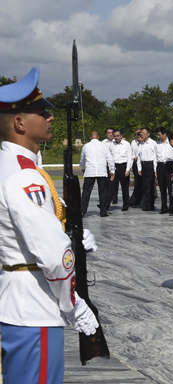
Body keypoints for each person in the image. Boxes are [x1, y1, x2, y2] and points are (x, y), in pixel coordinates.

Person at [0, 67, 99, 384]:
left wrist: (68, 232)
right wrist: (74, 305)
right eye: (42, 112)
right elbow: (55, 257)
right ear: (19, 123)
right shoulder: (25, 176)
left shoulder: (9, 165)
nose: (50, 117)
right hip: (35, 307)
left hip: (13, 299)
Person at [80, 131, 115, 217]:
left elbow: (82, 159)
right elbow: (110, 158)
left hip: (90, 171)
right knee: (103, 192)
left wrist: (83, 168)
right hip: (101, 171)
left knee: (86, 192)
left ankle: (82, 211)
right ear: (98, 137)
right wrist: (112, 170)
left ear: (90, 137)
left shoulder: (86, 146)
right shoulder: (103, 145)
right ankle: (103, 212)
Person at [104, 128, 132, 212]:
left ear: (121, 136)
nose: (116, 138)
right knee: (111, 187)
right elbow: (109, 157)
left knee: (124, 187)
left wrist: (127, 169)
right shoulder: (111, 145)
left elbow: (129, 157)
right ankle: (105, 205)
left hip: (123, 166)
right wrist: (111, 169)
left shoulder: (126, 144)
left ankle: (125, 205)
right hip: (114, 167)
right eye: (114, 136)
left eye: (118, 136)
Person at [156, 127, 173, 214]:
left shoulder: (171, 143)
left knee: (170, 187)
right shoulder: (157, 144)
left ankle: (172, 207)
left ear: (165, 134)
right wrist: (155, 170)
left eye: (159, 134)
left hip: (170, 164)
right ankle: (163, 206)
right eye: (157, 135)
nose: (158, 136)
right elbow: (155, 157)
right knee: (162, 187)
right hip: (160, 165)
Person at [136, 127, 158, 211]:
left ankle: (149, 205)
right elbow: (139, 157)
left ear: (148, 134)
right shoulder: (141, 144)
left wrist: (155, 169)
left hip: (150, 165)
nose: (142, 134)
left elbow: (155, 157)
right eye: (141, 133)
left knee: (149, 186)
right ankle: (147, 203)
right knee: (145, 186)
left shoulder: (153, 143)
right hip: (143, 166)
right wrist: (139, 168)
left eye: (144, 133)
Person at [128, 130, 144, 208]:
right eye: (138, 137)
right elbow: (131, 153)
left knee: (144, 183)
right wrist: (131, 164)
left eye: (140, 137)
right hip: (136, 163)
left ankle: (139, 199)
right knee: (137, 182)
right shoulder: (133, 142)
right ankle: (134, 200)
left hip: (144, 163)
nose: (139, 139)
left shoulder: (146, 143)